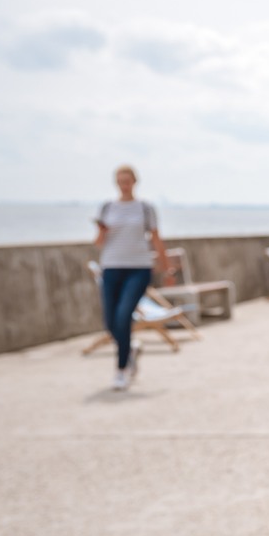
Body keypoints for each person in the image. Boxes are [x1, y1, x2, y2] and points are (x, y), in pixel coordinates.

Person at [94, 164, 166, 391]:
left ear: (134, 182)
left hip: (139, 267)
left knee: (124, 315)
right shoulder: (107, 207)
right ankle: (131, 348)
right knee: (110, 322)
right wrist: (102, 231)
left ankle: (122, 369)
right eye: (120, 181)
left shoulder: (145, 208)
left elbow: (156, 238)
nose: (124, 185)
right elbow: (98, 243)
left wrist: (165, 267)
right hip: (111, 267)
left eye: (127, 181)